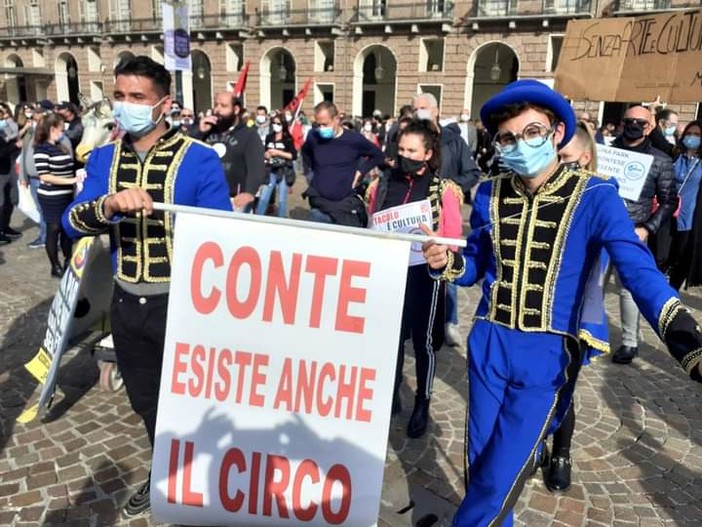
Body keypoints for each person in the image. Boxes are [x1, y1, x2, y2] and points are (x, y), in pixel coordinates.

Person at [420, 79, 702, 527]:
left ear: (554, 133)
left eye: (532, 132)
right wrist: (447, 263)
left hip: (549, 354)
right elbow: (476, 262)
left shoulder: (596, 195)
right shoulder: (492, 192)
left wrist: (686, 337)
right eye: (508, 138)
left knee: (498, 480)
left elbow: (637, 268)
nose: (520, 145)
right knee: (483, 470)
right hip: (489, 342)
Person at [62, 55, 232, 517]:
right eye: (119, 96)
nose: (126, 106)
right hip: (125, 302)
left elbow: (226, 236)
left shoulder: (198, 159)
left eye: (137, 97)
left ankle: (203, 478)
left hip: (183, 305)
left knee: (193, 401)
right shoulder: (102, 158)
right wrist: (109, 205)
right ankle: (166, 468)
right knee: (146, 399)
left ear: (163, 104)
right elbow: (72, 221)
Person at [366, 119, 463, 438]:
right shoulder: (382, 183)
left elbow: (453, 237)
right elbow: (371, 221)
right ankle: (389, 394)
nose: (404, 155)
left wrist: (439, 248)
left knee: (424, 343)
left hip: (425, 274)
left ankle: (422, 401)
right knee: (389, 339)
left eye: (412, 150)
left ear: (427, 153)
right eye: (401, 148)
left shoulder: (443, 189)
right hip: (389, 273)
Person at [543, 121, 605, 492]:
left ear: (583, 158)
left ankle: (561, 453)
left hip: (575, 309)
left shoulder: (598, 196)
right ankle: (533, 446)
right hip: (538, 306)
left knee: (563, 385)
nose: (557, 164)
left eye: (564, 158)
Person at [412, 92, 482, 346]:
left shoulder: (453, 140)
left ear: (435, 110)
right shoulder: (407, 135)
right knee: (417, 266)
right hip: (417, 215)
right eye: (414, 108)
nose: (418, 112)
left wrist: (452, 186)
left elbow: (472, 172)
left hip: (445, 215)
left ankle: (450, 321)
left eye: (422, 108)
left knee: (446, 266)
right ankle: (417, 319)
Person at [609, 106, 676, 364]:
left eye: (639, 121)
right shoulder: (606, 152)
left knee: (628, 289)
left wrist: (647, 228)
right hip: (600, 227)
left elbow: (668, 200)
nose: (633, 125)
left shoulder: (661, 160)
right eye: (628, 121)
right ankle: (585, 334)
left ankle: (629, 342)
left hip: (633, 231)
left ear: (649, 127)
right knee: (591, 283)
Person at [301, 101, 384, 227]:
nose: (321, 129)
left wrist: (361, 171)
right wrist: (311, 173)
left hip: (345, 208)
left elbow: (378, 155)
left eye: (325, 124)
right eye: (318, 125)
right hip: (319, 208)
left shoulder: (353, 139)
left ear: (336, 119)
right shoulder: (313, 136)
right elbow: (305, 152)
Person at [191, 92, 266, 212]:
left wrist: (249, 192)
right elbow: (187, 154)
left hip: (234, 201)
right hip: (203, 198)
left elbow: (256, 167)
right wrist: (198, 132)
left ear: (236, 109)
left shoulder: (249, 134)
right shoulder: (207, 131)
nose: (217, 110)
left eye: (223, 106)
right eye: (216, 105)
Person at [34, 114, 75, 276]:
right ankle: (54, 264)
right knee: (54, 228)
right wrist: (70, 181)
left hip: (65, 195)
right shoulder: (41, 149)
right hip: (51, 196)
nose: (63, 131)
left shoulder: (60, 146)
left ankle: (68, 258)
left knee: (66, 228)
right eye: (61, 128)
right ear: (52, 129)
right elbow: (44, 175)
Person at [667, 120, 702, 290]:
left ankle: (672, 293)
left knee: (682, 258)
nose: (692, 137)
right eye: (689, 134)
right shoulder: (675, 154)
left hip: (688, 217)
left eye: (696, 135)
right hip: (666, 213)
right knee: (662, 256)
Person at [257, 113, 297, 217]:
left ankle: (281, 219)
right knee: (264, 196)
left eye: (278, 123)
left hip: (283, 171)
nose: (275, 125)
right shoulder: (269, 137)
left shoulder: (288, 138)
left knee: (282, 200)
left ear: (283, 124)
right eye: (273, 123)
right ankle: (258, 218)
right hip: (270, 170)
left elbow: (293, 155)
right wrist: (266, 154)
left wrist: (279, 153)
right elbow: (265, 151)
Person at [0, 102, 21, 244]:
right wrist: (15, 146)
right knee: (1, 203)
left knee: (10, 200)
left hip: (8, 167)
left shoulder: (3, 128)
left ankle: (5, 227)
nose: (3, 114)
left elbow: (15, 132)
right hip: (1, 171)